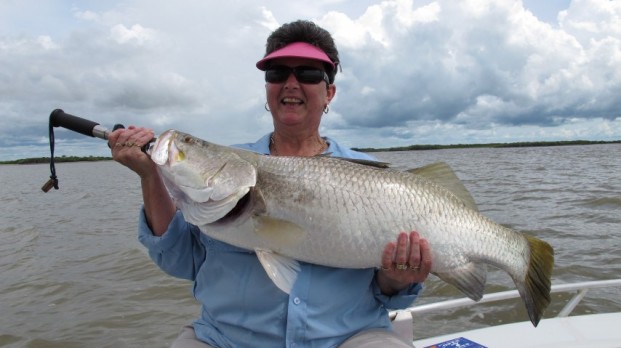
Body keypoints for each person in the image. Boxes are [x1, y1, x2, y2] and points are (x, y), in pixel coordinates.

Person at [109, 20, 432, 348]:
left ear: (329, 92)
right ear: (267, 89)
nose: (291, 83)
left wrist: (396, 279)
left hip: (350, 338)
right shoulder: (222, 180)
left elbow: (393, 298)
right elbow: (178, 260)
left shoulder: (373, 176)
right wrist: (150, 176)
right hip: (225, 340)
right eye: (277, 74)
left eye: (307, 74)